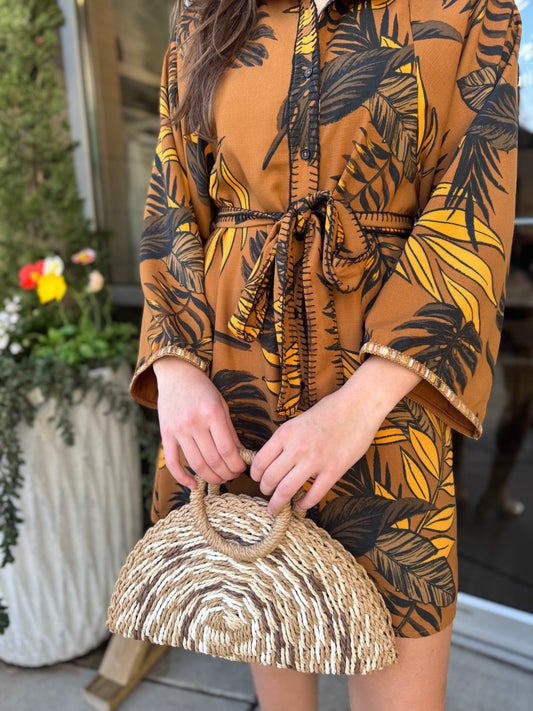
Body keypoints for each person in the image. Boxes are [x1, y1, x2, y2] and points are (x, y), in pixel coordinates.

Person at [130, 1, 521, 709]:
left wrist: (358, 407)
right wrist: (176, 368)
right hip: (234, 382)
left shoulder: (468, 9)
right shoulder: (205, 15)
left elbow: (472, 211)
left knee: (401, 685)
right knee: (271, 632)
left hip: (386, 397)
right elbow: (172, 197)